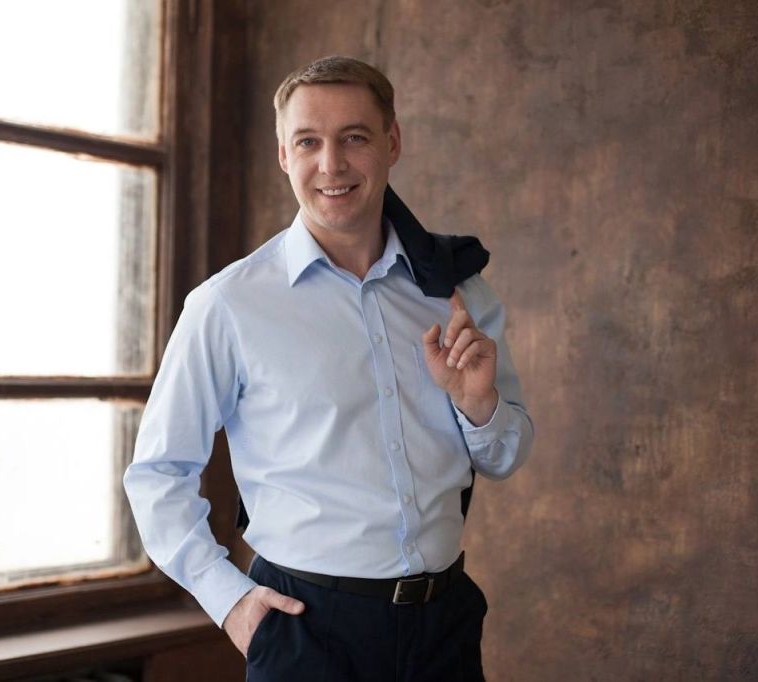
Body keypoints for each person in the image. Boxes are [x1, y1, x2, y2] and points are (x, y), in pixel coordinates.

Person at [124, 55, 534, 681]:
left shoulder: (458, 293)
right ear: (284, 155)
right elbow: (157, 474)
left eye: (355, 138)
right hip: (306, 632)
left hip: (444, 627)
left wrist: (478, 406)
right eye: (308, 142)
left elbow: (504, 457)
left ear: (392, 143)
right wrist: (230, 603)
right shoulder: (228, 305)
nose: (332, 164)